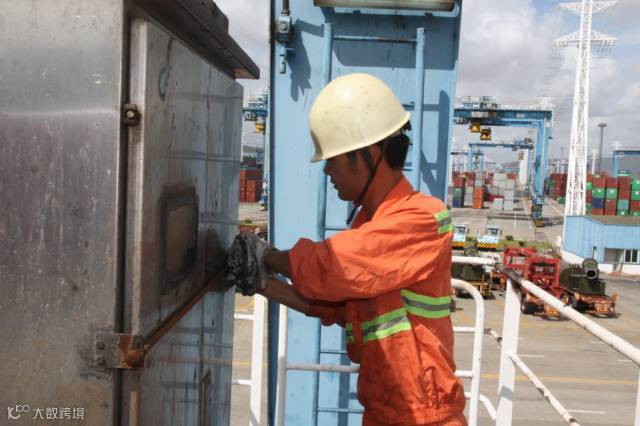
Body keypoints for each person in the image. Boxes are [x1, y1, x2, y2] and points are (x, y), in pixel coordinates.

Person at [227, 73, 467, 426]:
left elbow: (331, 266)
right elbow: (337, 308)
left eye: (334, 159)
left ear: (368, 155)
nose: (327, 170)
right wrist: (262, 284)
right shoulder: (370, 226)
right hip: (385, 413)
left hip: (425, 418)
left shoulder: (422, 219)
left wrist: (265, 256)